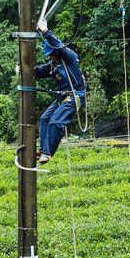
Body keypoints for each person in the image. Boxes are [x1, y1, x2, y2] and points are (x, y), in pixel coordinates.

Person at [34, 18, 86, 164]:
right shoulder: (54, 65)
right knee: (45, 119)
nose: (52, 57)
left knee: (55, 122)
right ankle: (43, 150)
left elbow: (59, 45)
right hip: (62, 97)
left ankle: (48, 153)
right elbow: (39, 71)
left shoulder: (69, 57)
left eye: (53, 54)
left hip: (74, 96)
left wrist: (45, 31)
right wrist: (24, 71)